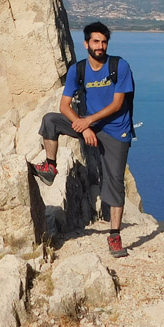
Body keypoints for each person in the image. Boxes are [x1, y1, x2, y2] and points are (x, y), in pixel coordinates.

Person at [33, 21, 136, 257]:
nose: (100, 46)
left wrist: (88, 122)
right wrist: (84, 126)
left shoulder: (119, 66)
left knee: (114, 181)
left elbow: (117, 104)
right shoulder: (77, 70)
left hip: (116, 130)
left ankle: (115, 236)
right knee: (51, 120)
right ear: (86, 43)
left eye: (103, 42)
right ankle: (50, 166)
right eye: (95, 41)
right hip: (90, 125)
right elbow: (64, 105)